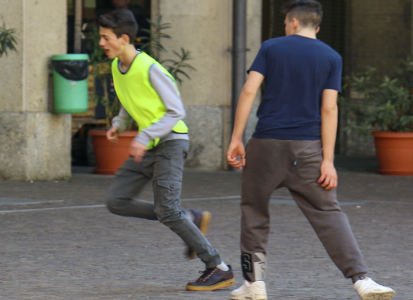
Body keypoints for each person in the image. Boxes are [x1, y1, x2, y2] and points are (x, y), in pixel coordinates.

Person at [226, 1, 396, 300]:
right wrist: (328, 161)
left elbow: (249, 90)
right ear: (316, 27)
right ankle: (362, 280)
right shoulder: (331, 56)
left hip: (265, 145)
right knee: (328, 212)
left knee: (253, 212)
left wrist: (236, 138)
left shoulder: (271, 47)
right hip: (308, 150)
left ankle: (255, 284)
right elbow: (329, 108)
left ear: (291, 23)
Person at [99, 9, 235, 291]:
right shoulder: (117, 66)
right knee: (117, 200)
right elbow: (130, 98)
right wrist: (119, 123)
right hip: (147, 146)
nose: (101, 43)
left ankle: (218, 267)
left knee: (168, 211)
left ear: (123, 38)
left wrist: (143, 136)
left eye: (105, 37)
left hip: (170, 143)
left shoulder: (150, 68)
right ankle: (190, 218)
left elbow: (176, 111)